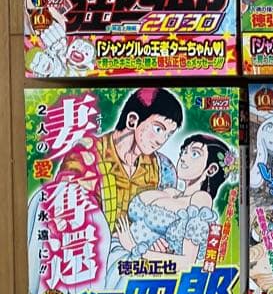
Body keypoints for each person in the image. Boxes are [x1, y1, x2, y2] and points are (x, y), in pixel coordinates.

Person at [107, 133, 231, 288]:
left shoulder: (201, 199)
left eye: (194, 154)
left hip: (137, 266)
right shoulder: (171, 191)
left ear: (211, 169)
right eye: (184, 151)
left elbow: (187, 262)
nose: (183, 158)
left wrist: (133, 247)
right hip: (114, 253)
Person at [59, 88, 183, 230]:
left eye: (168, 135)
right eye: (158, 129)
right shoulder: (85, 155)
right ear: (132, 121)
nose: (161, 141)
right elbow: (66, 215)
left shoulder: (160, 167)